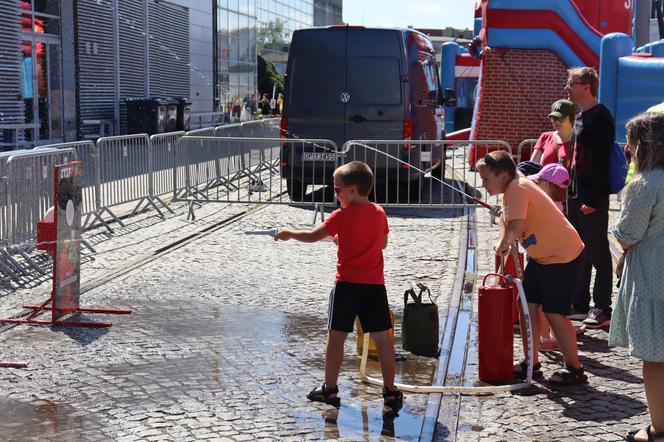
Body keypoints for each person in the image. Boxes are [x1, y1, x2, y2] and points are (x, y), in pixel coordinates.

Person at [274, 161, 403, 409]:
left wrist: (288, 232)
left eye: (337, 189)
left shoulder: (341, 216)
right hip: (375, 286)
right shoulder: (379, 212)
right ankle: (390, 391)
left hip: (347, 287)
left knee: (336, 338)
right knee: (383, 340)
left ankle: (330, 390)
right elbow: (382, 244)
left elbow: (312, 236)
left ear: (353, 190)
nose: (335, 194)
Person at [478, 151, 587, 384]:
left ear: (504, 174)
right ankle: (532, 363)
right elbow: (508, 222)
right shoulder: (511, 190)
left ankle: (575, 370)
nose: (483, 184)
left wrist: (503, 245)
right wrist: (503, 242)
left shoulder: (518, 188)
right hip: (542, 258)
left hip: (562, 256)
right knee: (526, 304)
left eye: (486, 179)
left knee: (555, 313)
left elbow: (515, 228)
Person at [608, 112, 664, 442]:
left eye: (629, 141)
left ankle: (659, 429)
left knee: (656, 358)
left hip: (653, 278)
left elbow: (627, 234)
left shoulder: (646, 183)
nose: (626, 148)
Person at [565, 67, 615, 329]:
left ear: (586, 86)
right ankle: (579, 304)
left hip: (590, 198)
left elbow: (599, 162)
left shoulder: (601, 116)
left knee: (598, 252)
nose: (568, 89)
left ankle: (602, 308)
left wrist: (592, 200)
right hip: (575, 195)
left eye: (571, 84)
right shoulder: (580, 116)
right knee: (579, 251)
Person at [530, 99, 576, 168]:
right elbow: (531, 167)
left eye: (561, 118)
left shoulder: (579, 140)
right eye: (554, 118)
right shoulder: (545, 137)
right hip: (543, 179)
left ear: (572, 118)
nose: (557, 122)